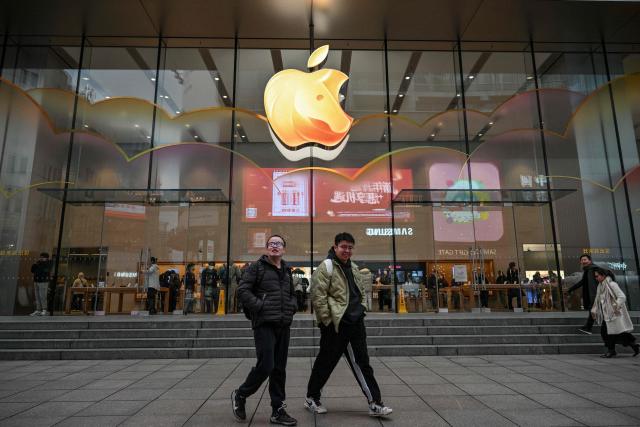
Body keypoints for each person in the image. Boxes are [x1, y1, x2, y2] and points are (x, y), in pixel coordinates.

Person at [305, 232, 392, 418]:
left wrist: (361, 309)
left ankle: (375, 402)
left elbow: (359, 292)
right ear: (335, 247)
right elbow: (317, 296)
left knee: (362, 363)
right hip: (336, 325)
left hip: (355, 323)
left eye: (350, 247)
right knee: (325, 363)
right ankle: (312, 397)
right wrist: (328, 322)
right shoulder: (326, 267)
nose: (347, 250)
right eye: (343, 247)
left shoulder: (353, 267)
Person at [232, 235, 298, 426]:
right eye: (271, 244)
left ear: (284, 248)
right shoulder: (257, 267)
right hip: (264, 324)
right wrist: (260, 306)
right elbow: (243, 290)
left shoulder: (286, 270)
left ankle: (278, 410)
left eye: (278, 244)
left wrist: (292, 307)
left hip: (283, 324)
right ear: (267, 248)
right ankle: (241, 394)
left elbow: (292, 295)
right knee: (266, 365)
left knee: (279, 369)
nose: (274, 246)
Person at [590, 267, 639, 358]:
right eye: (595, 276)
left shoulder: (612, 284)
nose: (596, 278)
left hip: (614, 314)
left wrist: (615, 306)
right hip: (607, 314)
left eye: (597, 276)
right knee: (618, 332)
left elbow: (622, 297)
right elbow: (598, 299)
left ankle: (612, 351)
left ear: (603, 276)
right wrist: (595, 309)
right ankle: (633, 345)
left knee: (608, 332)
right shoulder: (600, 286)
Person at [567, 254, 599, 334]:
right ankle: (588, 327)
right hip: (591, 294)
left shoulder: (592, 269)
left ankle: (588, 328)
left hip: (593, 294)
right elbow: (583, 282)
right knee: (592, 311)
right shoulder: (587, 270)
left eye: (585, 259)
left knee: (593, 311)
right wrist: (571, 289)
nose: (583, 261)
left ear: (589, 260)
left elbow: (593, 284)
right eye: (582, 260)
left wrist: (594, 295)